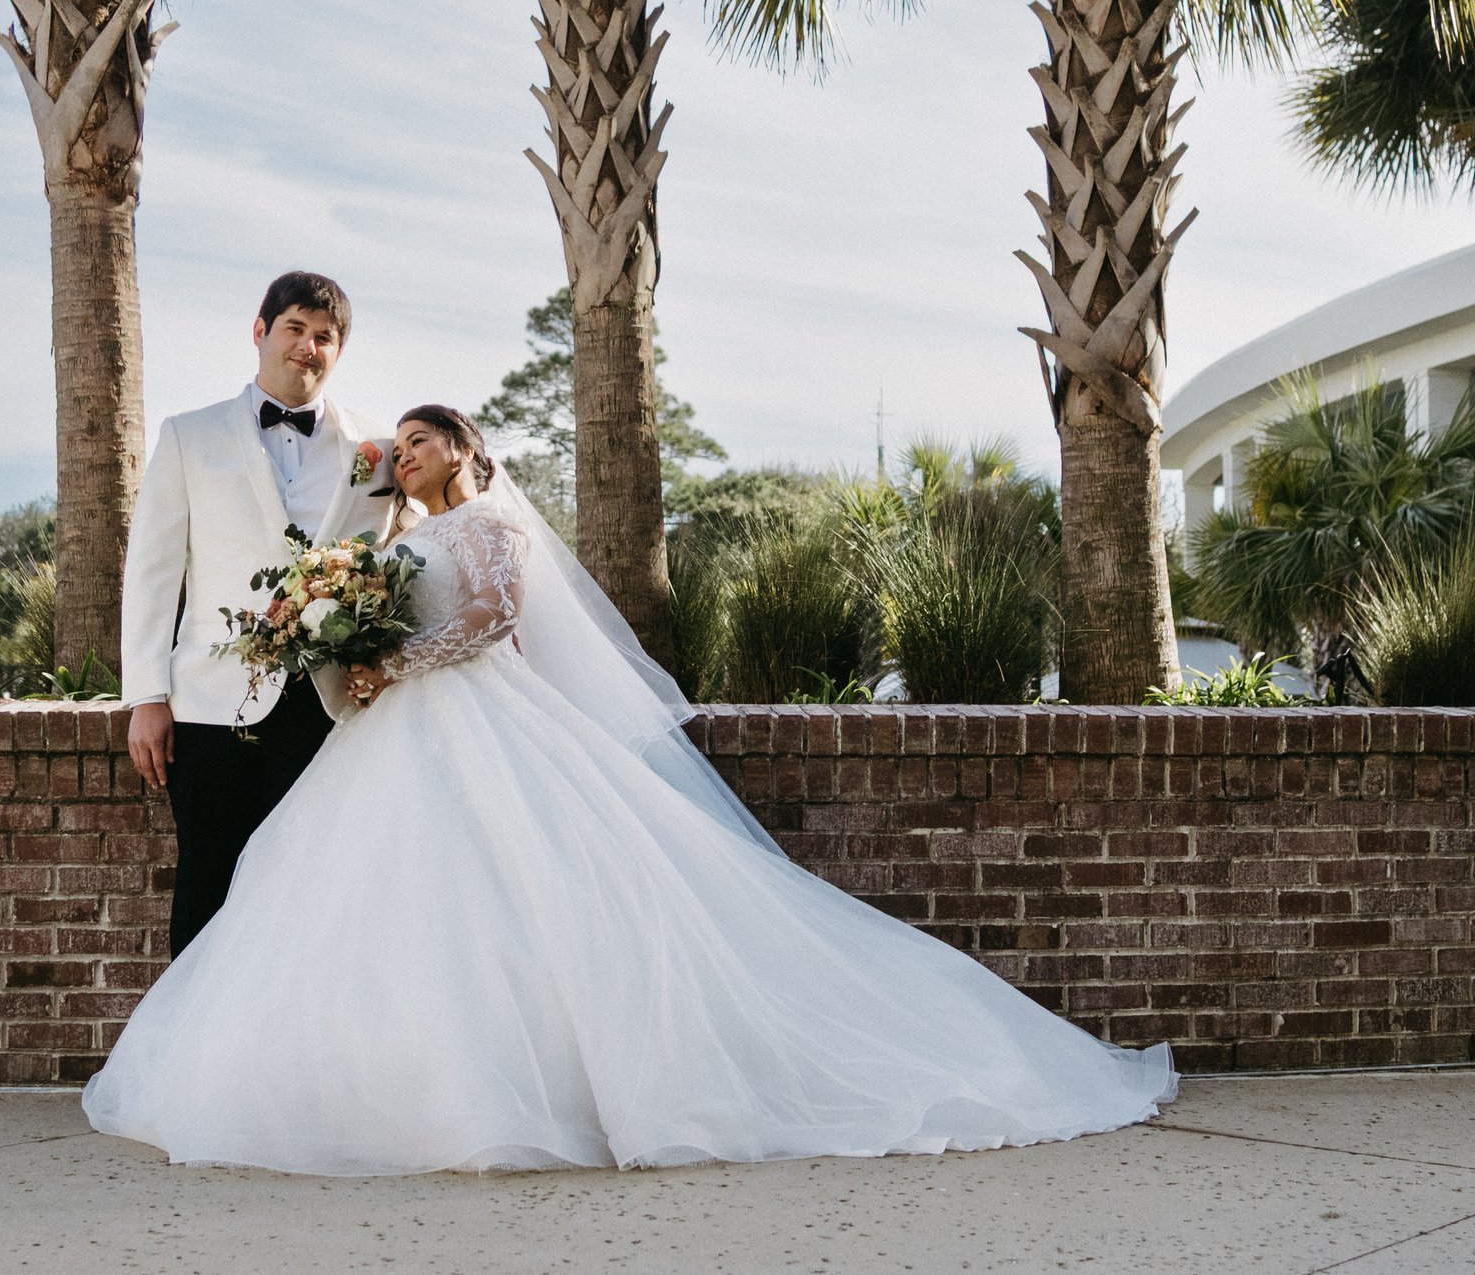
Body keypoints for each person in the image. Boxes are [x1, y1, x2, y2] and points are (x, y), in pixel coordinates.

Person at [86, 405, 1176, 1173]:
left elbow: (492, 623)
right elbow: (372, 604)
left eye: (425, 440)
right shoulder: (392, 535)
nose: (406, 455)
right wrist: (353, 642)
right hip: (392, 734)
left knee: (526, 893)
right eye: (400, 444)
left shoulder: (493, 525)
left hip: (478, 719)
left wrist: (394, 662)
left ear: (463, 450)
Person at [118, 269, 402, 957]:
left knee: (319, 898)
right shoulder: (189, 435)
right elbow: (155, 570)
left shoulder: (379, 448)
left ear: (339, 351)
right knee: (208, 890)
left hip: (332, 710)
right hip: (213, 709)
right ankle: (189, 1060)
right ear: (260, 331)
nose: (308, 347)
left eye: (325, 337)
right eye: (295, 329)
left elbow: (398, 559)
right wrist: (146, 695)